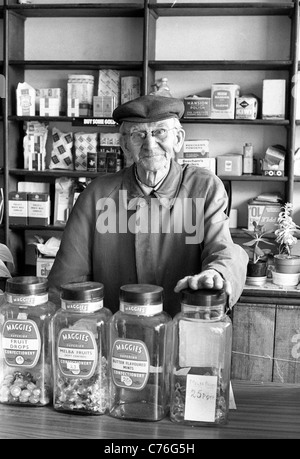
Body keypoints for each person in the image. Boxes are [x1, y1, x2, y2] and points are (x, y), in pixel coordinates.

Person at [48, 95, 248, 315]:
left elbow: (222, 249)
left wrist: (217, 274)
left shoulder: (204, 188)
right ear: (124, 144)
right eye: (138, 134)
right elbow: (67, 280)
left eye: (160, 132)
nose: (150, 144)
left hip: (183, 332)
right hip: (116, 335)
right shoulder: (97, 195)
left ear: (178, 139)